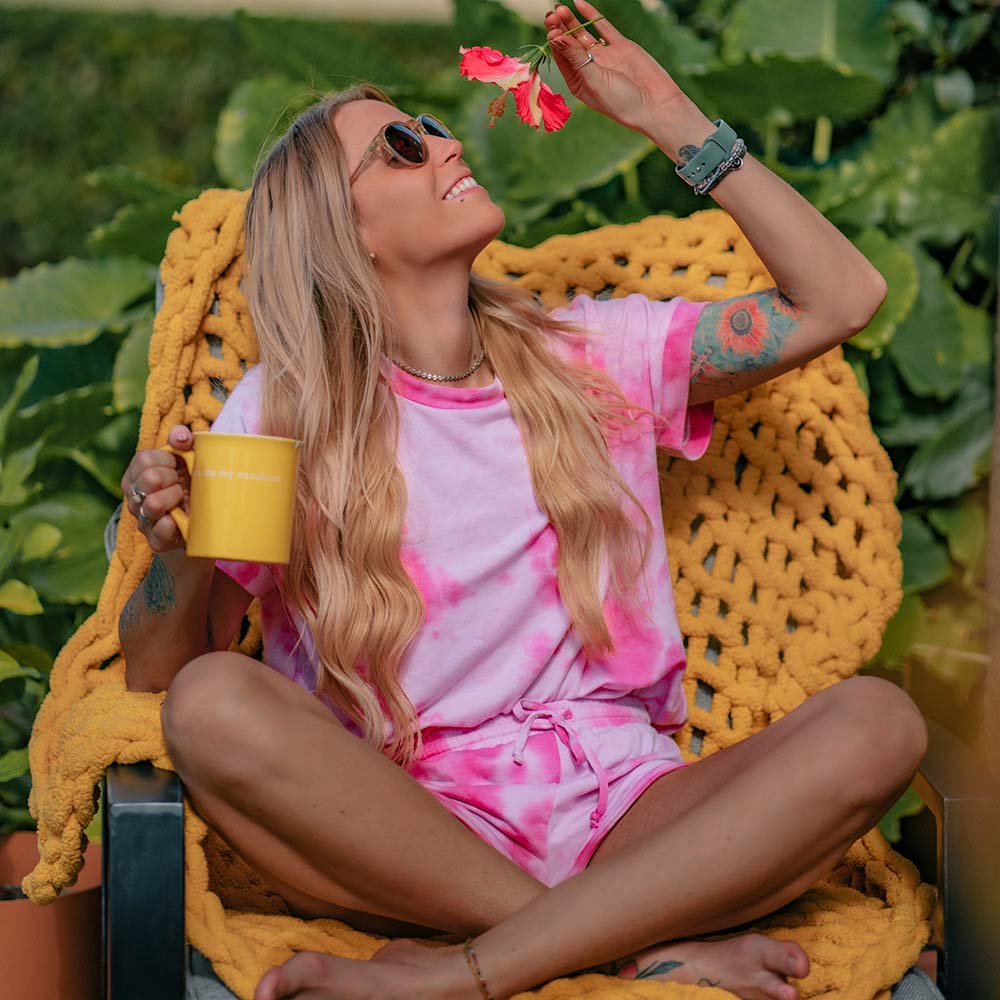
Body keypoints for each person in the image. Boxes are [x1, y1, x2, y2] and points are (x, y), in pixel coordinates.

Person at [118, 3, 925, 999]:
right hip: (414, 836)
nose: (445, 142)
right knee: (212, 705)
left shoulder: (592, 359)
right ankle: (625, 951)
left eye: (433, 129)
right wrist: (177, 548)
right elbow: (165, 676)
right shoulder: (285, 409)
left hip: (633, 817)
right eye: (403, 148)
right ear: (345, 229)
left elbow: (840, 298)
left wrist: (670, 116)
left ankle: (465, 973)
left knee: (877, 725)